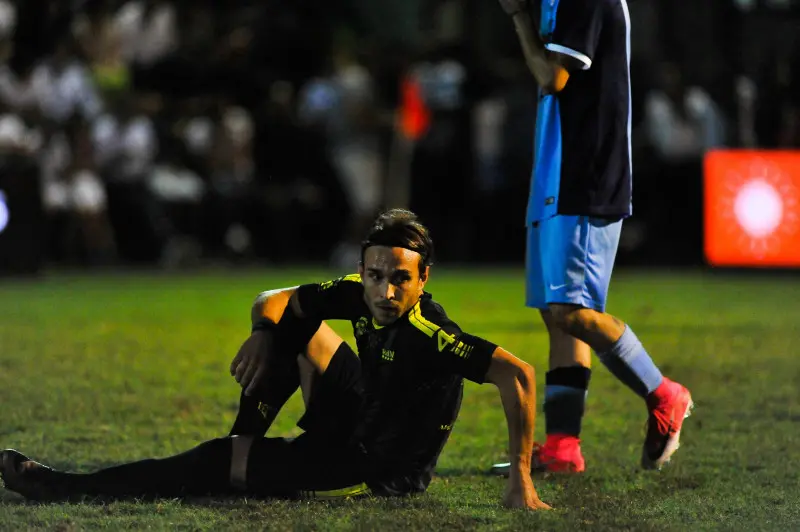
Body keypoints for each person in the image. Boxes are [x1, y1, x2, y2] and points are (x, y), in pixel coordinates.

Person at [1, 209, 550, 510]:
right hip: (362, 413)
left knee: (211, 462)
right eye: (375, 275)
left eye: (399, 279)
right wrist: (264, 333)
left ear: (423, 277)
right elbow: (275, 300)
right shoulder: (360, 292)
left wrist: (521, 478)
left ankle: (67, 486)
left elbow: (519, 376)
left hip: (373, 469)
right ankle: (247, 447)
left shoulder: (429, 334)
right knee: (289, 321)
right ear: (364, 268)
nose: (384, 292)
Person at [490, 0, 693, 475]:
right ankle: (563, 448)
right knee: (557, 314)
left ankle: (664, 394)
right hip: (558, 174)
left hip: (585, 177)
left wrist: (518, 17)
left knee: (572, 311)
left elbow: (552, 76)